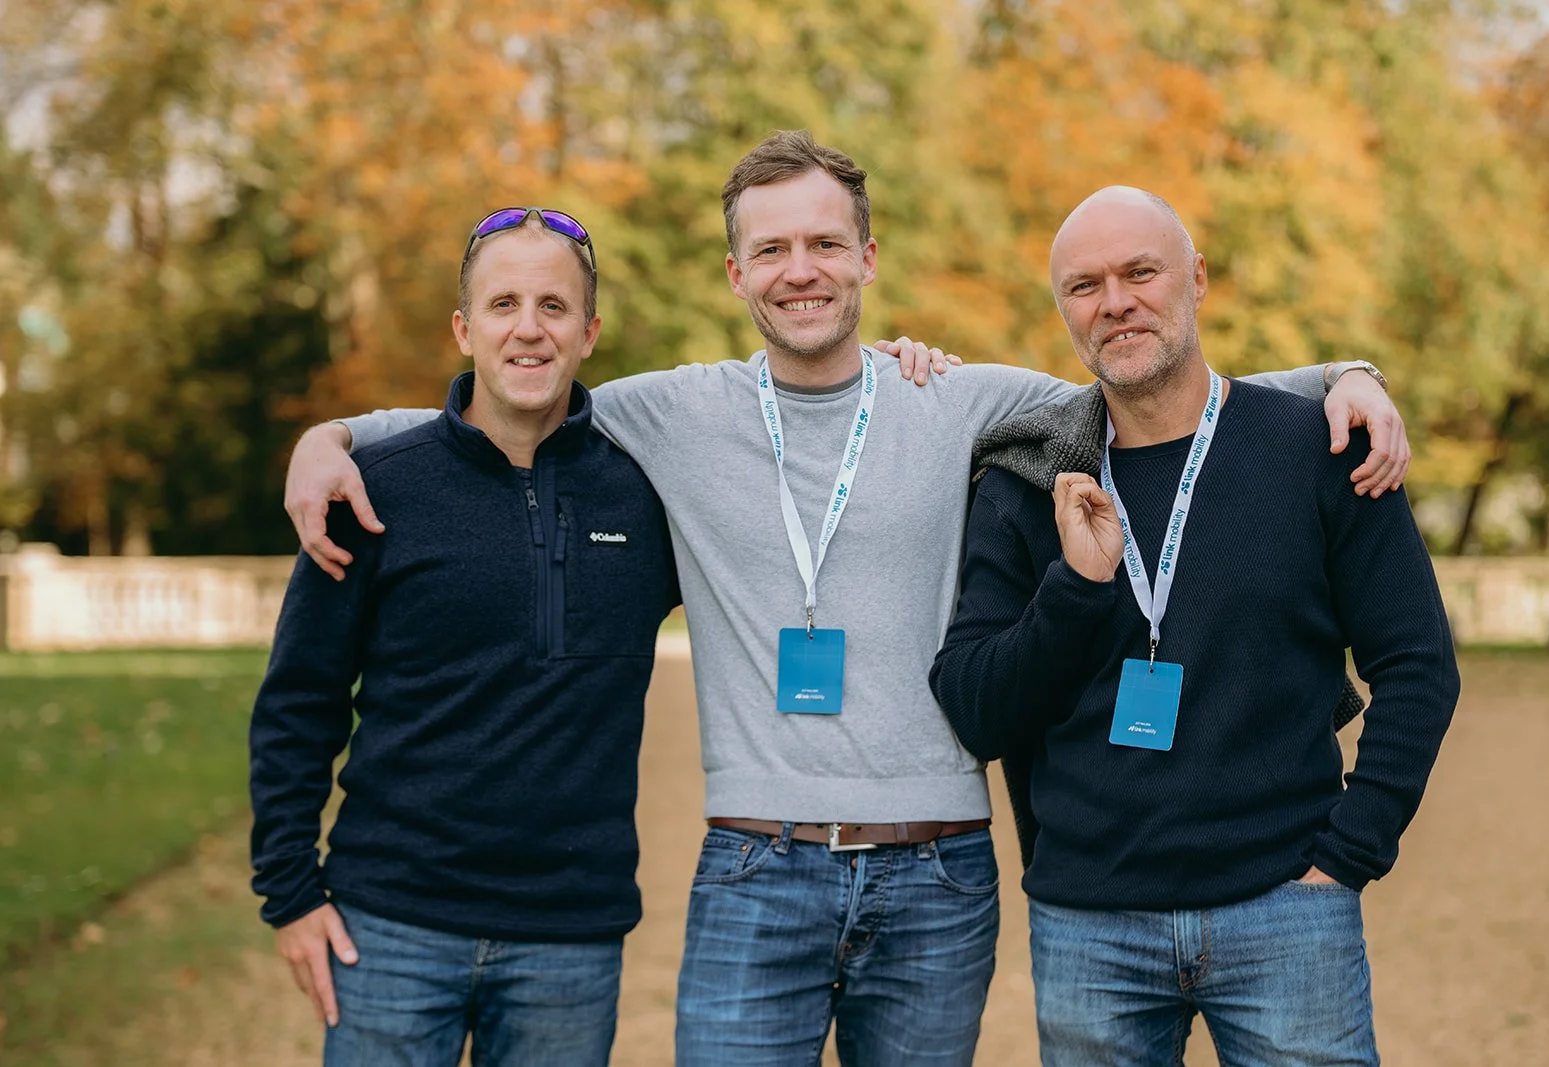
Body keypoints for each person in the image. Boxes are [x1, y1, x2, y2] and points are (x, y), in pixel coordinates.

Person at [282, 133, 1411, 1066]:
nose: (800, 268)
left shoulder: (963, 399)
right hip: (752, 867)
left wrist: (1338, 376)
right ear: (736, 275)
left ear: (868, 257)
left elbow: (1151, 380)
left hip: (938, 870)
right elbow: (506, 401)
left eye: (825, 241)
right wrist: (328, 439)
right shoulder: (665, 413)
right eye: (770, 247)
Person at [930, 186, 1459, 1067]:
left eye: (1141, 272)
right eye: (1085, 285)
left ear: (1197, 279)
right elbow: (976, 709)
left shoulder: (1320, 447)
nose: (1116, 302)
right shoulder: (1027, 482)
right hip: (1089, 926)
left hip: (1287, 908)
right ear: (1063, 308)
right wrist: (1076, 587)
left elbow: (1419, 664)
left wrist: (1346, 858)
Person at [250, 206, 681, 1067]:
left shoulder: (648, 497)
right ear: (464, 328)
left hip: (571, 935)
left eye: (554, 307)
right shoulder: (376, 490)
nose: (529, 328)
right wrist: (290, 894)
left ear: (590, 331)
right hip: (391, 925)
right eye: (504, 304)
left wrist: (890, 368)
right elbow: (300, 701)